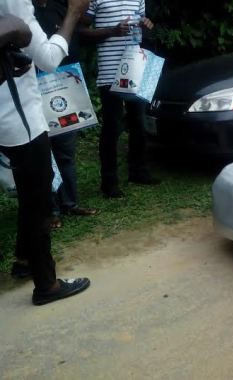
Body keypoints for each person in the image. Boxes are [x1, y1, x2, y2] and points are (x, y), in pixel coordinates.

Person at [0, 0, 91, 305]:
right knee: (37, 199)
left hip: (6, 117)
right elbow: (49, 58)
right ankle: (46, 285)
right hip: (18, 118)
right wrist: (74, 13)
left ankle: (25, 260)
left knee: (30, 194)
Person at [81, 0, 158, 199]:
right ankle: (109, 182)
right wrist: (111, 31)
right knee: (113, 126)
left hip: (136, 68)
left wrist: (146, 25)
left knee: (138, 123)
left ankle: (138, 171)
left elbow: (142, 30)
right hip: (109, 72)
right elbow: (82, 32)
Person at [33, 0, 99, 229]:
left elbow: (86, 22)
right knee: (43, 155)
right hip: (35, 90)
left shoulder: (62, 7)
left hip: (65, 86)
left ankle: (70, 203)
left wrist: (77, 11)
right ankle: (50, 209)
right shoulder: (26, 10)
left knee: (66, 150)